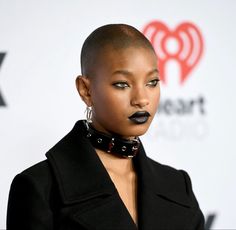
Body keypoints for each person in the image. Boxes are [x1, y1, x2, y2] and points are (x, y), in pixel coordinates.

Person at [7, 24, 205, 230]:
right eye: (122, 84)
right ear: (85, 90)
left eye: (152, 82)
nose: (141, 99)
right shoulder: (40, 187)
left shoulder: (178, 186)